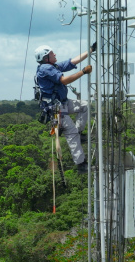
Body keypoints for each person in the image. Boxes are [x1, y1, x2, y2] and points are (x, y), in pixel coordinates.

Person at [34, 43, 95, 173]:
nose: (54, 54)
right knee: (71, 132)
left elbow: (71, 62)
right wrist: (83, 72)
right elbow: (64, 80)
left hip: (63, 102)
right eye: (51, 53)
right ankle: (81, 164)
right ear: (46, 58)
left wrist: (90, 50)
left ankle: (79, 132)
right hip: (56, 108)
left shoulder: (52, 66)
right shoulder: (46, 69)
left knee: (85, 106)